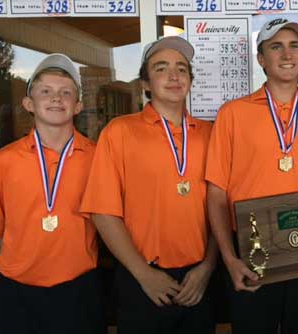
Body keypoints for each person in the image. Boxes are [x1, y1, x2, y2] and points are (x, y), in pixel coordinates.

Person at [205, 18, 298, 334]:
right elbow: (215, 194)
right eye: (275, 46)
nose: (287, 54)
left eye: (295, 46)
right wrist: (229, 258)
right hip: (251, 246)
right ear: (261, 59)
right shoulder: (233, 114)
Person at [80, 36, 217, 333]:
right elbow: (103, 212)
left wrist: (207, 268)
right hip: (142, 279)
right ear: (145, 84)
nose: (173, 76)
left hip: (198, 279)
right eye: (161, 68)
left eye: (182, 68)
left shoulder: (210, 134)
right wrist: (144, 275)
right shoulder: (120, 132)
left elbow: (220, 207)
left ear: (190, 80)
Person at [0, 53, 104, 334]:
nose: (56, 99)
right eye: (45, 92)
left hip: (78, 290)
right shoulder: (3, 161)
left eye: (65, 93)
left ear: (77, 106)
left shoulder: (98, 158)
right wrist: (24, 269)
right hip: (17, 294)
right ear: (29, 103)